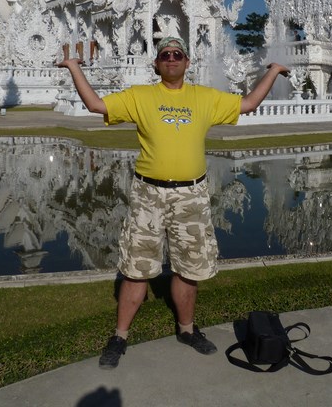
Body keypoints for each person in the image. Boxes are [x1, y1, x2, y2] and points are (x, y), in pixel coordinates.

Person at [57, 36, 289, 369]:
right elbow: (96, 105)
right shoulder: (141, 96)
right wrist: (74, 68)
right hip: (148, 194)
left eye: (177, 54)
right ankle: (120, 335)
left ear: (187, 61)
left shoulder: (204, 98)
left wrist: (274, 71)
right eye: (165, 54)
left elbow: (249, 104)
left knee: (189, 268)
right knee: (136, 269)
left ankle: (186, 329)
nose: (171, 58)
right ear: (156, 63)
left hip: (190, 195)